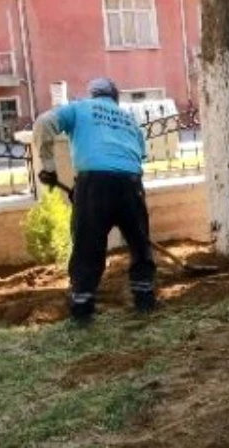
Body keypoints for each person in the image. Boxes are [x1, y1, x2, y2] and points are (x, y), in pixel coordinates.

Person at [34, 77, 153, 323]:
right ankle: (145, 298)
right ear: (115, 97)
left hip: (94, 183)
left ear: (93, 95)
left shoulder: (79, 108)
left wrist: (49, 166)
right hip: (131, 183)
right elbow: (140, 154)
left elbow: (44, 123)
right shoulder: (128, 118)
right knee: (139, 242)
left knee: (88, 245)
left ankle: (82, 306)